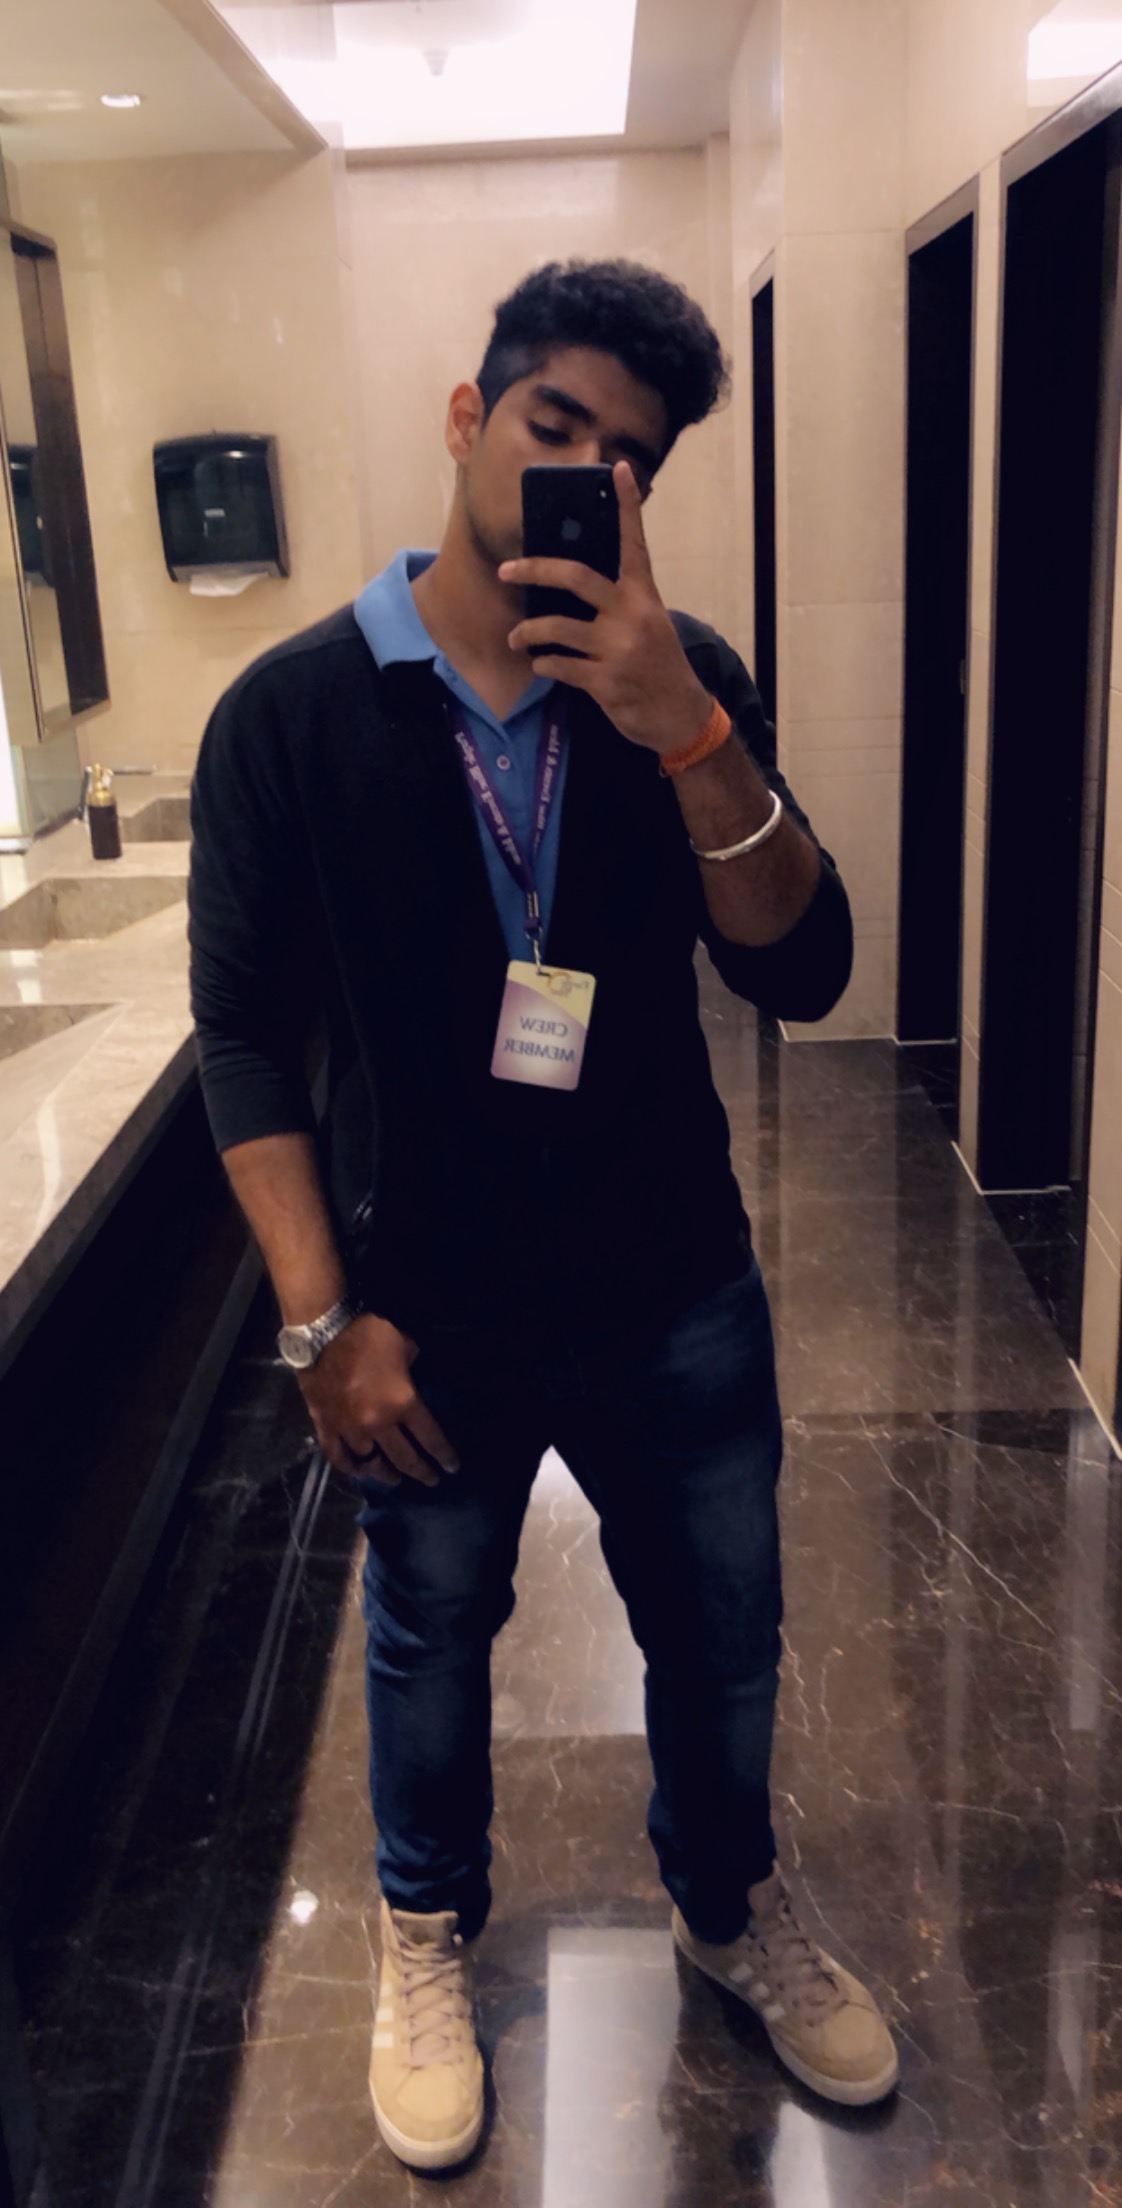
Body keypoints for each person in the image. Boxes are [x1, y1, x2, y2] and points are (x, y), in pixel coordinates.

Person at [188, 257, 898, 2174]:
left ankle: (727, 1903)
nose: (581, 473)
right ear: (467, 416)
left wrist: (683, 728)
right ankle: (425, 1929)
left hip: (673, 1283)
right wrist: (322, 1323)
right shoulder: (290, 716)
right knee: (428, 1635)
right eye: (550, 424)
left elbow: (803, 967)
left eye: (626, 459)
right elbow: (242, 1039)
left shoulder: (683, 681)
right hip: (423, 1309)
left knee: (724, 1639)